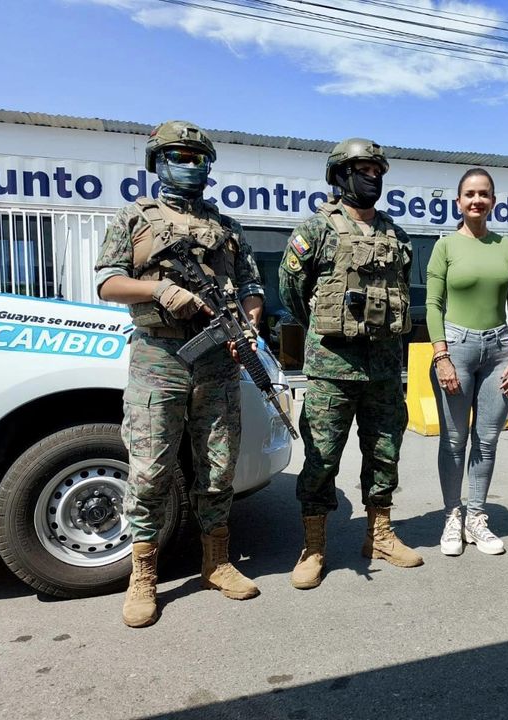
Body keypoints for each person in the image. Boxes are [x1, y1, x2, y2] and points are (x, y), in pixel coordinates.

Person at [95, 120, 264, 628]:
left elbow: (251, 285)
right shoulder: (134, 218)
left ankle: (216, 562)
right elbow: (107, 283)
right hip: (159, 360)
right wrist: (159, 290)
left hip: (217, 362)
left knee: (218, 468)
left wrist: (249, 321)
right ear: (157, 161)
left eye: (197, 158)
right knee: (150, 471)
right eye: (178, 156)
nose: (189, 166)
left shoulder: (226, 227)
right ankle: (143, 575)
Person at [279, 138, 422, 590]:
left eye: (377, 170)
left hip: (383, 368)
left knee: (385, 453)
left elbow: (402, 288)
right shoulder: (316, 229)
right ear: (340, 175)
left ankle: (379, 536)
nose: (372, 177)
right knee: (321, 460)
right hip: (331, 369)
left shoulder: (396, 234)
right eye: (363, 170)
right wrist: (327, 328)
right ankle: (313, 547)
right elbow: (291, 290)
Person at [426, 168, 508, 556]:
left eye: (484, 194)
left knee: (487, 439)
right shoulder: (445, 247)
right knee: (454, 441)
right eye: (469, 194)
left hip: (500, 350)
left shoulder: (506, 248)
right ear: (458, 201)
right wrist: (441, 357)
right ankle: (452, 516)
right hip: (456, 348)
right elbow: (433, 305)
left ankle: (477, 517)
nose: (476, 200)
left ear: (493, 201)